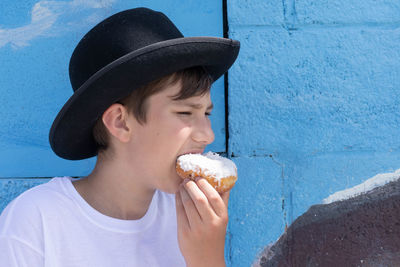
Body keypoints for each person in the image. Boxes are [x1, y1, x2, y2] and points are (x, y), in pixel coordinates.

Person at [0, 7, 240, 267]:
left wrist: (207, 258)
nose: (208, 135)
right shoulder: (37, 220)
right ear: (120, 122)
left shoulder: (190, 217)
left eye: (206, 113)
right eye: (185, 112)